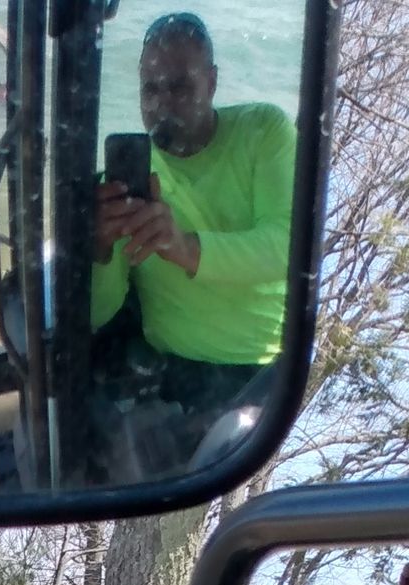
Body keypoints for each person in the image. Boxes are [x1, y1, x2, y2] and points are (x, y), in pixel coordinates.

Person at [90, 15, 295, 446]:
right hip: (170, 371)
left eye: (180, 87)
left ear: (213, 83)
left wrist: (183, 246)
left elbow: (287, 248)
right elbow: (97, 313)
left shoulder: (264, 132)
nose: (163, 104)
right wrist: (101, 248)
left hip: (262, 369)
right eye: (151, 89)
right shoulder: (120, 184)